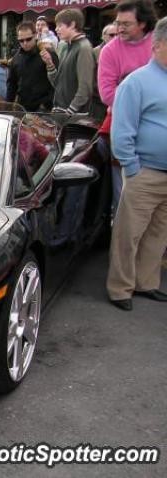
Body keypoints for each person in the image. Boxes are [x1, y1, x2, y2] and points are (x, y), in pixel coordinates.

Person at [107, 16, 167, 311]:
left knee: (158, 234)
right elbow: (122, 130)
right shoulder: (137, 82)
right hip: (145, 172)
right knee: (128, 234)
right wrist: (132, 168)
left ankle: (147, 283)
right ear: (157, 46)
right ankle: (120, 288)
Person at [98, 0, 157, 215]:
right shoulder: (110, 52)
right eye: (117, 22)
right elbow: (107, 93)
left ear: (143, 23)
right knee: (125, 191)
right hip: (126, 128)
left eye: (126, 24)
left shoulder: (159, 44)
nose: (119, 28)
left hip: (160, 130)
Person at [41, 9, 95, 114]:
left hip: (74, 118)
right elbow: (58, 84)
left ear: (72, 25)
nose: (56, 29)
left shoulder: (84, 47)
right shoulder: (66, 46)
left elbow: (85, 88)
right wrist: (49, 64)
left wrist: (70, 111)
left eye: (60, 25)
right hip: (62, 113)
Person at [7, 21, 58, 112]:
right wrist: (8, 107)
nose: (25, 43)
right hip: (23, 107)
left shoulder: (48, 54)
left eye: (28, 39)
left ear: (35, 35)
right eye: (21, 41)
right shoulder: (16, 58)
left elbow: (57, 83)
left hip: (45, 108)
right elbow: (12, 84)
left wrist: (48, 104)